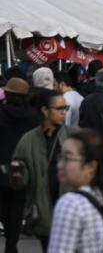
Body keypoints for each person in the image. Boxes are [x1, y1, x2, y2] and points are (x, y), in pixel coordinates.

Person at [10, 90, 72, 247]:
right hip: (44, 213)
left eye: (66, 108)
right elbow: (19, 181)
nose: (64, 113)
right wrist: (18, 172)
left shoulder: (73, 135)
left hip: (71, 212)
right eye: (60, 109)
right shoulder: (28, 140)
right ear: (45, 110)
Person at [0, 79, 38, 253]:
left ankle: (9, 238)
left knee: (3, 207)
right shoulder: (34, 116)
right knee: (17, 206)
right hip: (23, 166)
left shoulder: (1, 113)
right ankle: (11, 245)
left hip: (2, 166)